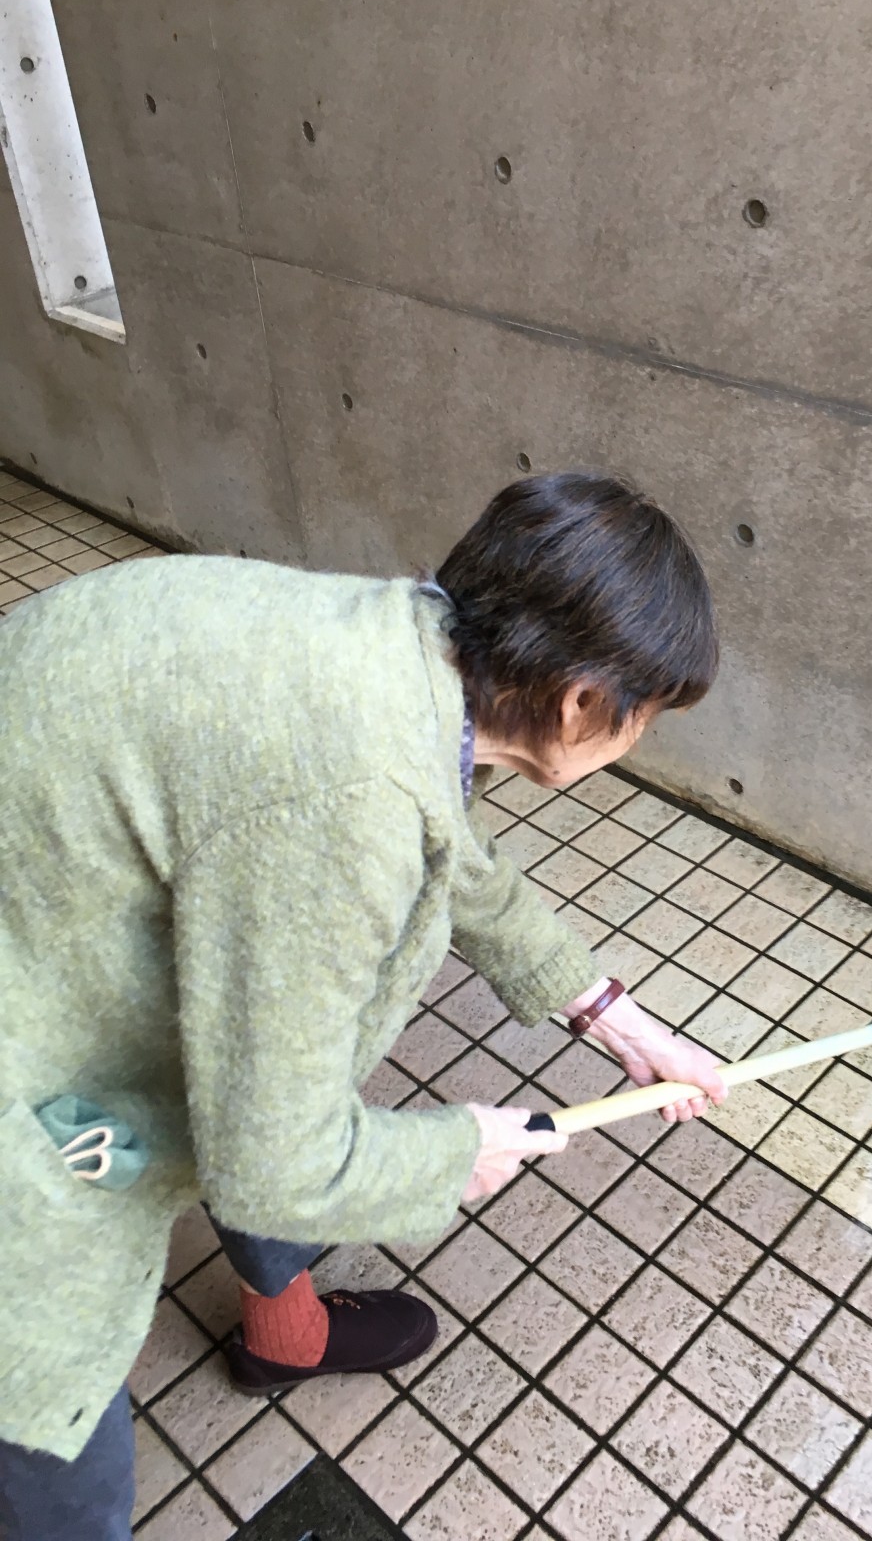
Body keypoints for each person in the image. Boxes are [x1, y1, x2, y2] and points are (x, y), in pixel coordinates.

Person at [0, 471, 726, 1540]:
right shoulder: (346, 802)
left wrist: (609, 1013)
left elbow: (453, 854)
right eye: (647, 715)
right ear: (582, 701)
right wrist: (455, 1152)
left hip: (48, 902)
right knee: (53, 1427)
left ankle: (283, 1329)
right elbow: (274, 1156)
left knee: (255, 1058)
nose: (638, 736)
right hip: (25, 1076)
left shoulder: (398, 647)